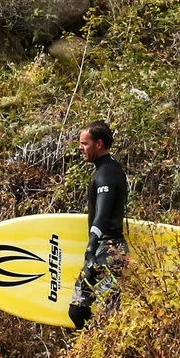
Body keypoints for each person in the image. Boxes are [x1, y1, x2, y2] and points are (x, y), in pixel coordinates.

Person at [68, 120, 128, 329]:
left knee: (83, 310)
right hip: (110, 251)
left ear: (99, 144)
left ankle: (99, 349)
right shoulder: (109, 169)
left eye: (85, 143)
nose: (80, 148)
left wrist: (91, 247)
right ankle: (97, 348)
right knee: (100, 313)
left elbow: (102, 215)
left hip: (109, 252)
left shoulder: (107, 173)